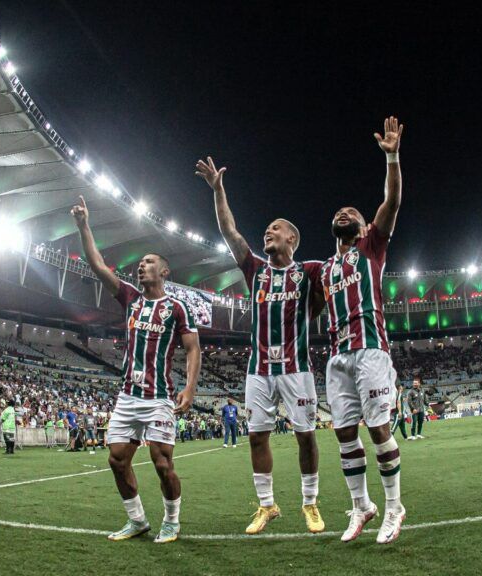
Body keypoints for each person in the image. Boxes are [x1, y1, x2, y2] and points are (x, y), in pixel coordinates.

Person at [197, 155, 326, 534]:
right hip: (258, 369)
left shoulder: (309, 272)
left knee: (306, 436)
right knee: (257, 436)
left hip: (296, 367)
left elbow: (327, 295)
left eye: (275, 229)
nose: (267, 232)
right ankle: (267, 506)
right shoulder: (256, 270)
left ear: (292, 239)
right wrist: (218, 189)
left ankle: (310, 502)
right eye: (267, 230)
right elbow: (229, 231)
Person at [74, 195, 201, 544]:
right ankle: (138, 520)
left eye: (148, 263)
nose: (140, 266)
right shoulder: (130, 297)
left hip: (159, 397)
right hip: (128, 396)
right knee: (117, 460)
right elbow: (98, 265)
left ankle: (172, 522)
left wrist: (189, 388)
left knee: (162, 464)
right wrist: (84, 225)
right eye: (140, 263)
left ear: (164, 271)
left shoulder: (176, 308)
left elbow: (193, 348)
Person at [319, 117, 406, 544]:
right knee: (344, 433)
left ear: (364, 226)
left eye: (351, 212)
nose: (343, 213)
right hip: (337, 357)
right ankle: (361, 506)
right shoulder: (325, 269)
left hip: (371, 349)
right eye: (338, 212)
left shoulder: (371, 245)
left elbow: (391, 202)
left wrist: (391, 156)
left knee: (378, 430)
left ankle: (394, 507)